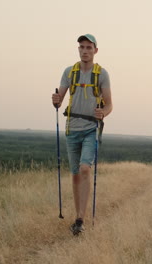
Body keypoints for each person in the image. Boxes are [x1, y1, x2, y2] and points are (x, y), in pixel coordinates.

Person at [52, 34, 113, 235]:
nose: (85, 51)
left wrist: (103, 112)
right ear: (78, 49)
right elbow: (59, 99)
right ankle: (78, 217)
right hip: (72, 129)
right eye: (81, 47)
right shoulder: (69, 72)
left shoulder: (101, 74)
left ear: (95, 50)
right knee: (76, 175)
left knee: (85, 169)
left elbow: (110, 104)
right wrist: (56, 99)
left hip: (90, 129)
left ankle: (80, 219)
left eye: (89, 47)